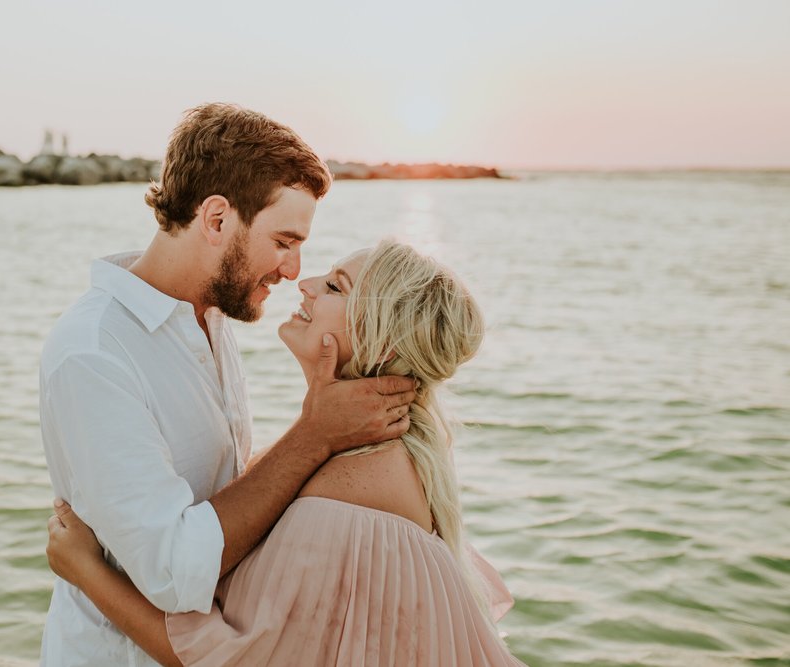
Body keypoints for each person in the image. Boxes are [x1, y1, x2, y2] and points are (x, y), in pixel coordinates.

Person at [39, 104, 417, 665]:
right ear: (216, 220)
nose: (293, 271)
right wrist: (314, 436)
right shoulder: (94, 353)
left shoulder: (209, 315)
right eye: (284, 241)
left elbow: (223, 494)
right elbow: (172, 571)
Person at [47, 241, 528, 666]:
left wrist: (85, 571)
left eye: (336, 287)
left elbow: (229, 659)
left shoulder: (350, 491)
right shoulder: (362, 454)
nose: (307, 283)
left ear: (380, 343)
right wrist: (312, 431)